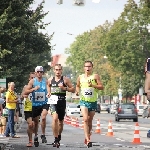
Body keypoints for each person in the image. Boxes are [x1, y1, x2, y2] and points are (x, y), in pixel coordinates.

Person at [76, 60, 104, 148]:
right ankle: (88, 139)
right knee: (85, 119)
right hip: (83, 101)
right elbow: (77, 85)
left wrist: (93, 85)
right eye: (86, 66)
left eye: (89, 66)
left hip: (93, 101)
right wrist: (77, 91)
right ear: (83, 68)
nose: (87, 68)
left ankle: (88, 134)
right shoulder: (80, 77)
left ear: (92, 67)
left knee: (90, 120)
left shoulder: (95, 76)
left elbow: (101, 87)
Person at [47, 64, 75, 147]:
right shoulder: (50, 80)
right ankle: (55, 139)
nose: (58, 71)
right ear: (54, 70)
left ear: (61, 70)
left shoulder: (65, 80)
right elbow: (48, 86)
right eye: (56, 69)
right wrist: (49, 93)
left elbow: (73, 89)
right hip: (53, 102)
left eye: (59, 70)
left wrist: (64, 88)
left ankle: (58, 136)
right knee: (55, 118)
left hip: (62, 102)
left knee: (61, 122)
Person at [24, 66, 49, 147]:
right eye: (38, 72)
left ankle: (43, 134)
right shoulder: (32, 81)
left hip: (44, 103)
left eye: (41, 72)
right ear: (35, 73)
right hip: (34, 105)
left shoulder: (46, 81)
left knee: (43, 117)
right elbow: (26, 92)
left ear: (43, 73)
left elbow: (49, 89)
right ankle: (34, 137)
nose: (39, 73)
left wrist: (49, 93)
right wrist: (33, 89)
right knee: (34, 123)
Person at [21, 72, 35, 147]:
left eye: (34, 78)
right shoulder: (25, 87)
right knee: (30, 124)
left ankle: (35, 136)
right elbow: (21, 96)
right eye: (31, 78)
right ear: (29, 79)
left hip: (36, 107)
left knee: (34, 125)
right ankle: (30, 141)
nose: (32, 79)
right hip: (27, 108)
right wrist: (24, 95)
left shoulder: (38, 87)